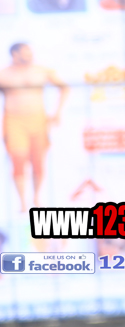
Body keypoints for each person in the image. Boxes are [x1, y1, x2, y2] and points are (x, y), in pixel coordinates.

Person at [0, 43, 69, 211]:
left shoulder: (41, 71)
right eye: (25, 53)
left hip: (38, 120)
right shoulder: (4, 74)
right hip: (14, 121)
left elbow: (64, 87)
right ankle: (22, 202)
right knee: (18, 160)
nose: (29, 55)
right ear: (15, 54)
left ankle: (37, 197)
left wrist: (57, 112)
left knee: (38, 161)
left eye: (30, 52)